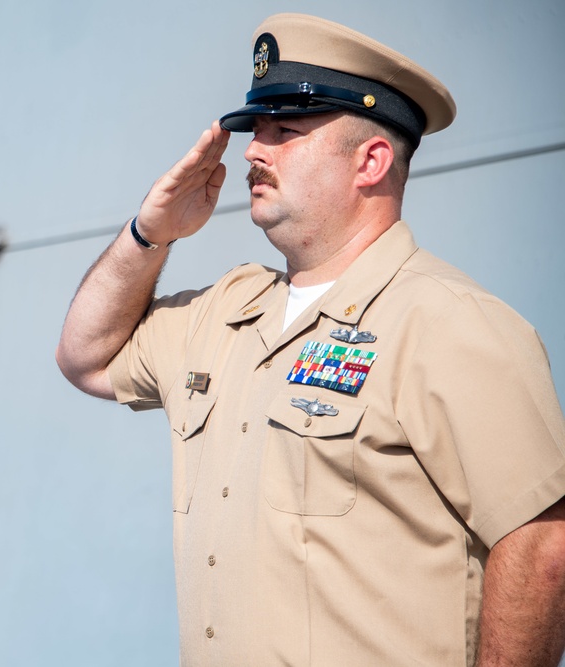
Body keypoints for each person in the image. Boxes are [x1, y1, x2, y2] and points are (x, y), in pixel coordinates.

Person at [56, 13, 565, 666]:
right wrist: (148, 234)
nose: (252, 151)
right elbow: (86, 358)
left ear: (370, 162)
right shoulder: (226, 313)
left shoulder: (450, 323)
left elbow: (542, 548)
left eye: (285, 132)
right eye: (256, 131)